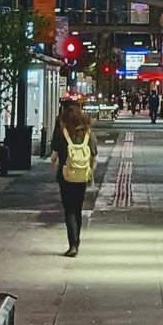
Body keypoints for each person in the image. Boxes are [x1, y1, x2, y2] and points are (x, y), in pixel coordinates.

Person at [50, 99, 97, 257]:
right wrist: (90, 172)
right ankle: (77, 241)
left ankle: (73, 244)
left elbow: (53, 156)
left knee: (68, 209)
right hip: (82, 175)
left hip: (66, 175)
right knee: (78, 208)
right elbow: (94, 155)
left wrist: (56, 167)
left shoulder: (62, 131)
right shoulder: (87, 131)